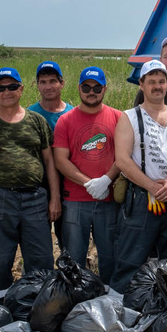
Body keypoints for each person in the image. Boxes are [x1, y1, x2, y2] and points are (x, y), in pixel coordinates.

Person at [0, 67, 60, 302]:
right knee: (0, 259)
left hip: (35, 198)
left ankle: (38, 309)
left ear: (21, 89)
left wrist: (54, 198)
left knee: (41, 258)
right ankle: (3, 310)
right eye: (0, 87)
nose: (6, 91)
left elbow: (49, 162)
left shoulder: (37, 121)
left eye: (11, 87)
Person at [112, 60, 167, 292]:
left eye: (161, 81)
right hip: (142, 200)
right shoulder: (129, 118)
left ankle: (166, 316)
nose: (157, 86)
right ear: (141, 85)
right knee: (130, 261)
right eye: (151, 81)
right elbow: (123, 161)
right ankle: (120, 312)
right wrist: (152, 188)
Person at [53, 67, 122, 278]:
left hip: (108, 200)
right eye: (86, 87)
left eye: (97, 87)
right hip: (75, 201)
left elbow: (124, 156)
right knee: (74, 257)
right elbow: (60, 160)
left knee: (110, 255)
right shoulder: (65, 120)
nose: (91, 92)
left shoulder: (119, 118)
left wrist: (107, 180)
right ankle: (76, 299)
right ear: (79, 88)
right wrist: (89, 184)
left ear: (104, 89)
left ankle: (108, 297)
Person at [28, 60, 72, 249]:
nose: (48, 86)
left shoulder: (72, 114)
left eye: (53, 81)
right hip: (40, 186)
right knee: (38, 240)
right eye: (43, 82)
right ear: (37, 85)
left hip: (69, 183)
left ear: (62, 84)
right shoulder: (29, 114)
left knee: (68, 239)